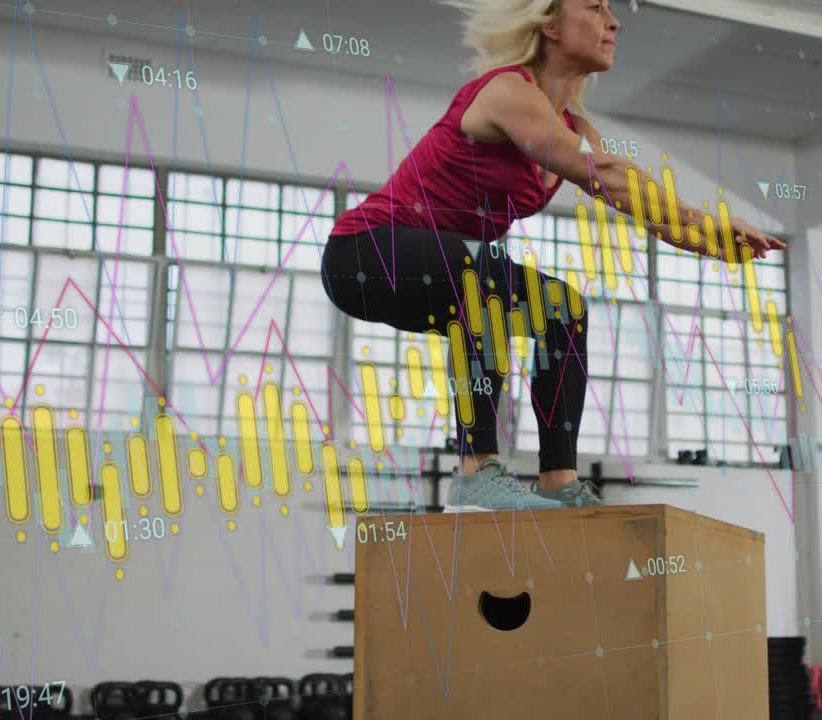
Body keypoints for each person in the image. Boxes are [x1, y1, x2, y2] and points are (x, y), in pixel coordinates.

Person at [320, 0, 787, 512]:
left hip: (452, 269)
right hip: (362, 256)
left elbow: (635, 200)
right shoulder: (507, 92)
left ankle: (557, 479)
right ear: (549, 23)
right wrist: (708, 222)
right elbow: (608, 174)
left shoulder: (575, 131)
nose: (613, 20)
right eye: (594, 6)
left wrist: (714, 241)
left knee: (562, 307)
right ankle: (476, 470)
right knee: (485, 271)